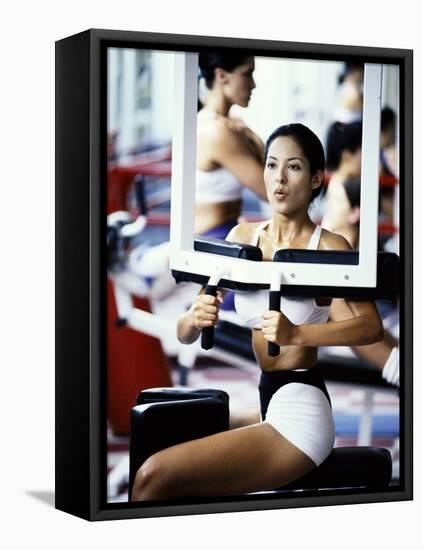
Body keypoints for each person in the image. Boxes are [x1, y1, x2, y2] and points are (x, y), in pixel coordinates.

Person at [130, 123, 383, 501]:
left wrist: (298, 334)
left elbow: (370, 328)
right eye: (271, 165)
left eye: (294, 167)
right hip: (266, 398)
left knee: (153, 478)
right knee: (154, 433)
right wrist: (193, 318)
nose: (279, 178)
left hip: (301, 409)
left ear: (316, 179)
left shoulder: (328, 246)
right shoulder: (242, 238)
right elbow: (185, 333)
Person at [196, 53, 268, 239]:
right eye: (247, 74)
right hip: (210, 239)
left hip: (226, 231)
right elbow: (270, 192)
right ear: (221, 76)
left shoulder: (232, 124)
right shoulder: (218, 131)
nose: (253, 84)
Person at [321, 121, 363, 246]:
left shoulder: (335, 184)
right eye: (361, 152)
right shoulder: (342, 191)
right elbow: (344, 238)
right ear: (347, 156)